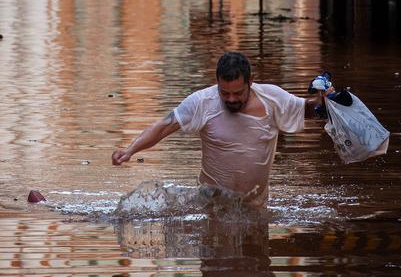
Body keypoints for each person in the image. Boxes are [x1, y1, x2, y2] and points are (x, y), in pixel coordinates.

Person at [112, 52, 331, 207]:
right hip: (212, 206)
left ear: (250, 82)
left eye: (237, 92)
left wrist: (327, 99)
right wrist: (130, 150)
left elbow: (308, 110)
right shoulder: (202, 102)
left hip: (255, 207)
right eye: (224, 92)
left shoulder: (271, 98)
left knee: (258, 269)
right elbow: (163, 127)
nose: (231, 99)